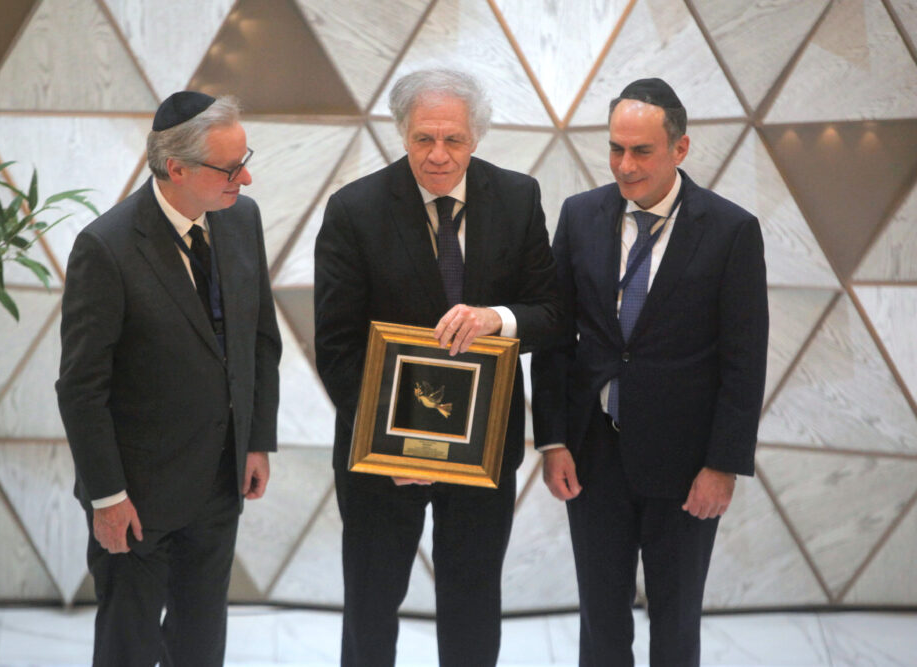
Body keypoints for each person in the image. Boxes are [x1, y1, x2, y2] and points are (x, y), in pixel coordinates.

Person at [314, 69, 560, 667]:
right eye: (424, 138)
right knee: (371, 607)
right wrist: (394, 448)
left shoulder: (519, 197)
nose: (439, 155)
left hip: (484, 449)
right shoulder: (354, 210)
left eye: (453, 139)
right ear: (401, 133)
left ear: (476, 137)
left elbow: (552, 314)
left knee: (473, 603)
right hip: (379, 460)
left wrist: (495, 318)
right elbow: (337, 346)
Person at [531, 78, 768, 666]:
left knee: (676, 617)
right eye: (615, 149)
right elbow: (557, 339)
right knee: (600, 619)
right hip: (593, 453)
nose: (625, 165)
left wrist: (722, 464)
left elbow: (745, 360)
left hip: (687, 464)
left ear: (680, 149)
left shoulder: (732, 230)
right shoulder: (581, 214)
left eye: (641, 151)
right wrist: (553, 440)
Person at [56, 91, 281, 667]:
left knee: (201, 645)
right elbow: (82, 387)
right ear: (175, 168)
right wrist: (107, 497)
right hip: (136, 498)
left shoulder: (239, 218)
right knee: (128, 647)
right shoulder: (105, 248)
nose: (246, 177)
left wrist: (256, 439)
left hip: (218, 483)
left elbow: (259, 340)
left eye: (244, 158)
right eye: (231, 168)